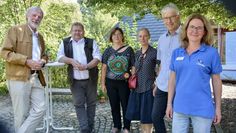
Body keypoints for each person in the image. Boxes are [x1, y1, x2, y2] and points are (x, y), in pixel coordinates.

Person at [166, 14, 222, 133]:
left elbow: (216, 81)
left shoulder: (211, 53)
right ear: (186, 30)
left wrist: (218, 108)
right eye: (191, 27)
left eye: (199, 28)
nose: (195, 31)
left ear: (204, 31)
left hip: (202, 109)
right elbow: (172, 80)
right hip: (179, 108)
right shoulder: (177, 53)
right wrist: (169, 104)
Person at [0, 6, 47, 133]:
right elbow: (4, 52)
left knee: (41, 108)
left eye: (39, 17)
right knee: (21, 114)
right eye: (34, 15)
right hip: (18, 77)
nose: (37, 18)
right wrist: (26, 61)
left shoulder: (40, 37)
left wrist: (42, 61)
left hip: (36, 77)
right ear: (27, 16)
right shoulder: (15, 30)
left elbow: (45, 55)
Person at [57, 22, 101, 133]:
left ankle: (90, 127)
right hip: (75, 80)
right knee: (78, 103)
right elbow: (60, 57)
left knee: (91, 103)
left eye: (79, 30)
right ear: (71, 32)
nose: (77, 32)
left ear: (83, 32)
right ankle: (84, 128)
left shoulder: (91, 42)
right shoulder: (65, 42)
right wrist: (71, 61)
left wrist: (86, 66)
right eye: (75, 30)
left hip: (90, 78)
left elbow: (97, 58)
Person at [151, 3, 181, 133]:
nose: (169, 21)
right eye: (165, 18)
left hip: (180, 86)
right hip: (163, 86)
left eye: (172, 17)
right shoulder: (161, 38)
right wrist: (157, 83)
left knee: (179, 120)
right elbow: (161, 63)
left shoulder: (187, 36)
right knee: (156, 117)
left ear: (178, 16)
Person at [101, 27, 135, 133]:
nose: (116, 36)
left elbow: (133, 66)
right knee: (114, 105)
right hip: (110, 82)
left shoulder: (129, 49)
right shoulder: (107, 51)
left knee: (126, 105)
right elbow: (104, 68)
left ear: (122, 36)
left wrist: (131, 76)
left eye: (119, 34)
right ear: (111, 37)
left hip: (124, 83)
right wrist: (102, 83)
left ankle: (126, 127)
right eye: (114, 34)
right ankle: (116, 125)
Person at [126, 28, 157, 133]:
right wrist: (130, 75)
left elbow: (159, 69)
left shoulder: (154, 52)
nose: (142, 38)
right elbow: (134, 69)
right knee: (141, 117)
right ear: (137, 38)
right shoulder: (137, 53)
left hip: (149, 87)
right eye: (140, 36)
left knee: (148, 117)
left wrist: (156, 83)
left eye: (145, 36)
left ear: (149, 37)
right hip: (137, 88)